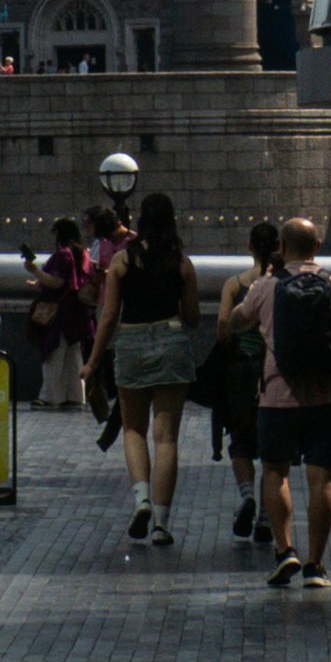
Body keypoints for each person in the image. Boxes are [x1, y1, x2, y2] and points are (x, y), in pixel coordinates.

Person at [222, 216, 331, 592]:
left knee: (275, 471)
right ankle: (316, 565)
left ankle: (284, 549)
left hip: (277, 396)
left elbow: (236, 323)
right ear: (318, 247)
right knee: (322, 477)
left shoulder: (266, 287)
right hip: (330, 397)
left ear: (283, 249)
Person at [90, 191, 206, 545]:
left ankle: (141, 500)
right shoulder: (182, 264)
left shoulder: (123, 263)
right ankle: (161, 523)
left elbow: (109, 317)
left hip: (132, 343)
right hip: (172, 343)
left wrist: (93, 362)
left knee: (133, 430)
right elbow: (193, 318)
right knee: (166, 437)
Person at [207, 220, 283, 539]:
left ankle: (248, 495)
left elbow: (224, 327)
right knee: (271, 446)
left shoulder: (234, 285)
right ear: (278, 248)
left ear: (249, 247)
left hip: (240, 370)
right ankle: (266, 515)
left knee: (240, 440)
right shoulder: (281, 283)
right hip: (274, 372)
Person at [31, 219, 91, 409]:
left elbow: (57, 282)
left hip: (59, 312)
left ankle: (49, 396)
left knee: (53, 353)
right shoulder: (82, 253)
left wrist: (35, 272)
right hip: (77, 312)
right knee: (73, 355)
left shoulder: (63, 254)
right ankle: (75, 395)